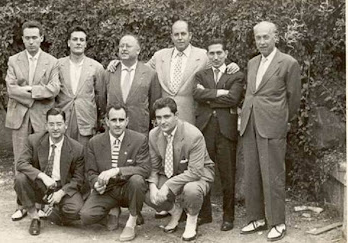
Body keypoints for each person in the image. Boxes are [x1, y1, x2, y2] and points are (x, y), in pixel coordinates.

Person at [108, 20, 239, 126]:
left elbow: (219, 66)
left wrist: (231, 65)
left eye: (183, 34)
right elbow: (138, 71)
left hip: (191, 116)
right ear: (171, 36)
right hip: (165, 118)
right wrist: (119, 63)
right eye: (176, 34)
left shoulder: (203, 55)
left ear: (190, 35)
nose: (180, 38)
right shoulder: (160, 56)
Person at [239, 21, 301, 241]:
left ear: (276, 37)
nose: (262, 42)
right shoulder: (252, 62)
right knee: (252, 173)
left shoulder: (288, 63)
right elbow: (252, 93)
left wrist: (282, 119)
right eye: (258, 38)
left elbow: (293, 99)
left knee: (273, 174)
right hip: (250, 122)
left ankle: (277, 222)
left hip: (273, 124)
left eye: (266, 37)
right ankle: (256, 218)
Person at [5, 20, 60, 221]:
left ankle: (42, 203)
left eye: (34, 37)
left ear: (41, 38)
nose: (30, 41)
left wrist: (29, 90)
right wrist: (38, 92)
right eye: (27, 37)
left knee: (42, 160)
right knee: (20, 160)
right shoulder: (14, 60)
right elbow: (11, 89)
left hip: (40, 118)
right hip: (19, 118)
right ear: (23, 38)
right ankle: (21, 205)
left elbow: (54, 89)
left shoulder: (52, 62)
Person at [145, 97, 215, 241]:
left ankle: (191, 220)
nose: (162, 121)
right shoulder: (153, 134)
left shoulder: (193, 135)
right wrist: (153, 186)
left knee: (191, 190)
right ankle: (175, 211)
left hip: (198, 174)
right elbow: (155, 166)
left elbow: (195, 172)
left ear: (176, 116)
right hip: (172, 172)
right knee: (145, 191)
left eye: (166, 116)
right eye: (158, 117)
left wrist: (168, 185)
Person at [193, 39, 244, 231]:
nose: (215, 57)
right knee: (202, 172)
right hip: (204, 129)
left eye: (219, 53)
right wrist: (221, 93)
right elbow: (195, 94)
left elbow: (233, 98)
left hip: (226, 131)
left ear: (226, 53)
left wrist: (209, 96)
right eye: (212, 53)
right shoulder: (200, 74)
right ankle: (204, 214)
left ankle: (228, 217)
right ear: (207, 54)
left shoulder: (236, 75)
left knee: (227, 174)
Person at [80, 104, 151, 242]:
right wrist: (96, 184)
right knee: (86, 216)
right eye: (113, 120)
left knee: (137, 180)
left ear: (127, 121)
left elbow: (145, 169)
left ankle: (132, 220)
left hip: (128, 188)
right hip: (107, 190)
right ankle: (114, 209)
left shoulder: (139, 139)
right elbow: (91, 172)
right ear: (106, 121)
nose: (118, 124)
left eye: (121, 120)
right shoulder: (94, 142)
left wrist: (117, 170)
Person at [14, 108, 88, 235]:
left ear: (65, 125)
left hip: (61, 186)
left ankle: (47, 208)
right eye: (51, 124)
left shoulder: (77, 148)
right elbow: (21, 163)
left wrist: (61, 192)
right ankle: (34, 216)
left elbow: (78, 179)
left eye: (59, 124)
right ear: (46, 126)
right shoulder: (34, 140)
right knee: (20, 178)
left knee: (76, 211)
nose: (55, 128)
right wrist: (42, 176)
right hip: (41, 184)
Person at [55, 26, 106, 147]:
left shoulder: (96, 67)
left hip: (86, 119)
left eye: (81, 40)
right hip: (64, 117)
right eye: (75, 39)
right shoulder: (58, 65)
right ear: (68, 43)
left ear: (85, 44)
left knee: (84, 156)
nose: (78, 42)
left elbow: (101, 97)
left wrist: (98, 119)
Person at [104, 34, 161, 135]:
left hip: (139, 128)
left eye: (128, 46)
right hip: (114, 129)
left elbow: (154, 104)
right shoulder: (110, 72)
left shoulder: (150, 74)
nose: (124, 49)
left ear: (138, 50)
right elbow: (102, 99)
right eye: (121, 46)